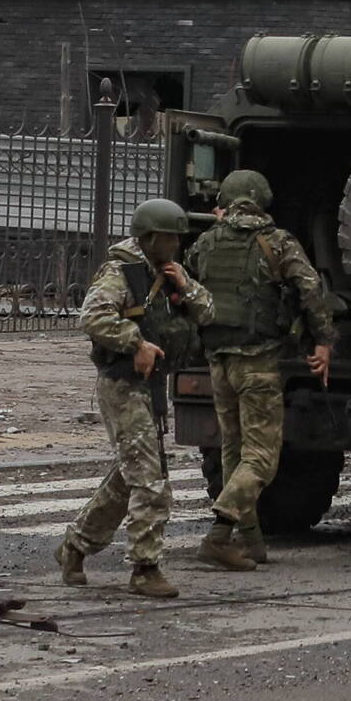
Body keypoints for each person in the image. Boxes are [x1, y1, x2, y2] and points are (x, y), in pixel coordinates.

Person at [56, 198, 215, 598]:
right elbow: (92, 317)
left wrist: (186, 285)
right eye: (170, 237)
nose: (176, 244)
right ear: (150, 237)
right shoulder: (121, 272)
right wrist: (136, 342)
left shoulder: (168, 273)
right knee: (150, 480)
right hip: (123, 384)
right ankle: (145, 568)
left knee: (129, 479)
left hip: (151, 386)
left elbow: (210, 312)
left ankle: (75, 546)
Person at [184, 168, 337, 570]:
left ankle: (251, 542)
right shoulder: (277, 242)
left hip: (219, 363)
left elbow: (188, 279)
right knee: (263, 458)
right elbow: (310, 289)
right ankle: (219, 534)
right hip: (257, 363)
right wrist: (322, 342)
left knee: (234, 452)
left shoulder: (206, 242)